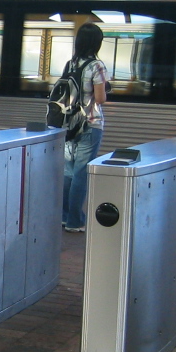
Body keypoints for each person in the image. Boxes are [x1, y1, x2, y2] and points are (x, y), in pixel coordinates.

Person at [61, 22, 109, 232]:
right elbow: (100, 98)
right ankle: (75, 221)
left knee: (68, 172)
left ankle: (64, 217)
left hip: (68, 124)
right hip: (90, 124)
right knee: (81, 173)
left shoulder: (70, 64)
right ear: (96, 43)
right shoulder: (96, 66)